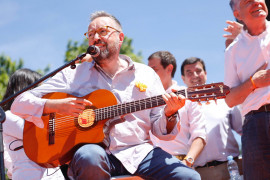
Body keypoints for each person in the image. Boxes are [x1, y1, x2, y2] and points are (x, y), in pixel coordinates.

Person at [11, 11, 201, 180]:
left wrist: (169, 114)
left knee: (189, 176)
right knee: (90, 156)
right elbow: (18, 103)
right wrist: (57, 105)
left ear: (120, 37)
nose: (96, 37)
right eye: (91, 34)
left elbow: (162, 132)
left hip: (139, 152)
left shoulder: (146, 74)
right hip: (93, 153)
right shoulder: (74, 74)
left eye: (102, 31)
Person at [225, 0, 270, 179]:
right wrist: (253, 82)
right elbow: (229, 100)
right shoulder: (233, 50)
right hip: (254, 124)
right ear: (237, 14)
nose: (256, 3)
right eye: (247, 1)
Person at [181, 57, 243, 180]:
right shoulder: (180, 108)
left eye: (198, 71)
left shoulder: (224, 100)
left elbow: (244, 130)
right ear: (183, 78)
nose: (195, 75)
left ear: (206, 73)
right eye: (189, 72)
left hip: (231, 168)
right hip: (199, 173)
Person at [1, 68, 64, 180]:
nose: (43, 93)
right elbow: (38, 136)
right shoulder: (9, 117)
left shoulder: (44, 116)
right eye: (38, 89)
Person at [147, 51, 206, 168]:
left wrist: (187, 162)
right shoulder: (145, 99)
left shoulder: (188, 96)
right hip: (149, 167)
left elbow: (199, 135)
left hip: (179, 165)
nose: (150, 74)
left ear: (169, 69)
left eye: (154, 69)